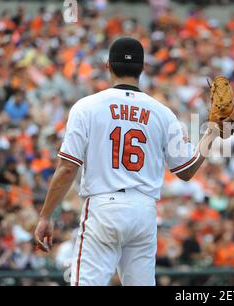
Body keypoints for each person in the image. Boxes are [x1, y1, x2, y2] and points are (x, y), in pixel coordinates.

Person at [34, 37, 219, 286]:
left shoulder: (86, 106)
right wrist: (211, 133)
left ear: (108, 65)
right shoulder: (163, 113)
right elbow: (186, 170)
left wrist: (46, 216)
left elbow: (68, 167)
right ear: (142, 68)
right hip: (144, 210)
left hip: (103, 206)